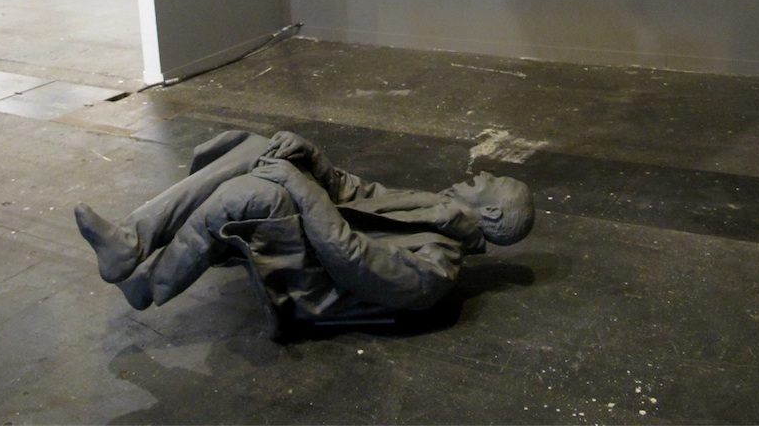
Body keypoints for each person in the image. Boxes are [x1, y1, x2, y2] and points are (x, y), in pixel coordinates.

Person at [74, 128, 534, 339]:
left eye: (489, 182)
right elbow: (357, 193)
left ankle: (149, 282)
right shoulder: (433, 206)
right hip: (319, 239)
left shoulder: (438, 265)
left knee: (255, 193)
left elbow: (351, 262)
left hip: (319, 284)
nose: (479, 175)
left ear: (492, 212)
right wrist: (311, 158)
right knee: (259, 148)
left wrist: (298, 186)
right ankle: (131, 240)